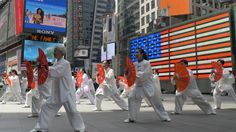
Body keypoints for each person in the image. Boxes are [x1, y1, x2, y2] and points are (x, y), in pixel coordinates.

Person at [30, 46, 85, 132]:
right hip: (57, 92)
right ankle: (41, 128)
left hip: (66, 92)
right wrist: (41, 66)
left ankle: (80, 128)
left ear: (61, 53)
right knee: (46, 107)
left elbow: (56, 72)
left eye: (56, 51)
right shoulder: (56, 62)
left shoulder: (65, 63)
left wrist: (44, 66)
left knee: (72, 111)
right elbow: (49, 74)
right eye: (54, 51)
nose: (54, 53)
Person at [124, 48, 171, 123]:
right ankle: (131, 118)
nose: (135, 54)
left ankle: (165, 117)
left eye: (137, 52)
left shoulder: (147, 63)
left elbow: (145, 74)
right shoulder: (134, 64)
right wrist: (127, 73)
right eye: (135, 52)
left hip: (148, 85)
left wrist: (134, 74)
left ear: (142, 54)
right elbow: (131, 76)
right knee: (131, 98)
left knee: (156, 102)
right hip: (138, 86)